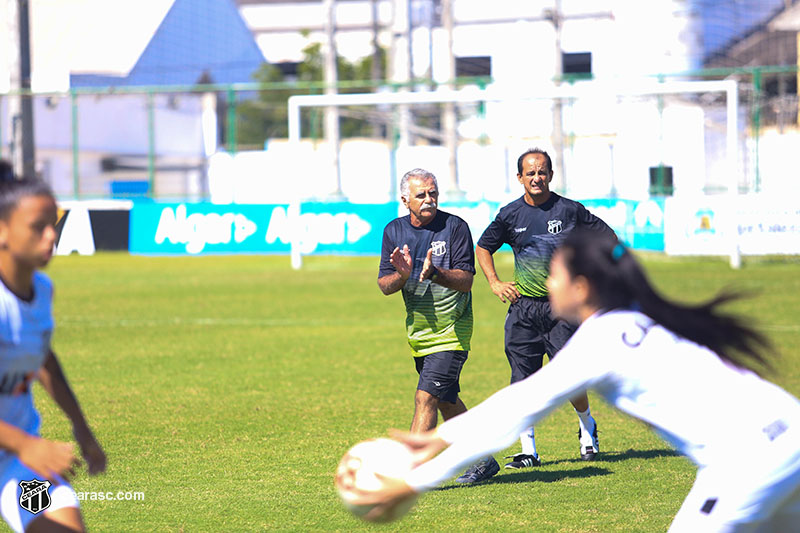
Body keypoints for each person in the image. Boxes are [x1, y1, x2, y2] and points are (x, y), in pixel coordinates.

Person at [355, 229, 800, 531]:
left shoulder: (600, 340)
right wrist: (435, 443)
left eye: (554, 275)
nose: (548, 285)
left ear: (582, 287)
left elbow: (515, 409)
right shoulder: (640, 319)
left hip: (750, 459)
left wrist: (415, 479)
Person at [476, 147, 616, 469]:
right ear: (519, 178)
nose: (536, 178)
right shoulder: (509, 215)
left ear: (551, 175)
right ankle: (529, 452)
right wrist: (495, 282)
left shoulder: (570, 211)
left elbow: (608, 240)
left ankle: (587, 428)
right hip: (523, 310)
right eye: (530, 173)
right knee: (522, 383)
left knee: (570, 380)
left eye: (542, 172)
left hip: (561, 311)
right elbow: (483, 247)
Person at [378, 168, 500, 484]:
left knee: (425, 399)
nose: (429, 199)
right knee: (446, 400)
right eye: (422, 195)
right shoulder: (393, 231)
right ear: (405, 199)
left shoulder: (455, 227)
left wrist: (435, 273)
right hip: (419, 334)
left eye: (433, 193)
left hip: (453, 330)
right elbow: (384, 285)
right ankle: (484, 460)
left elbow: (467, 282)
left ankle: (407, 475)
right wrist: (403, 276)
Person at [0, 176, 106, 533]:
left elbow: (43, 357)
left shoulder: (42, 290)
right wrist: (26, 443)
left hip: (18, 465)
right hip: (22, 448)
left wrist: (81, 428)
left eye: (53, 225)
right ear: (2, 230)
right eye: (37, 227)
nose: (51, 236)